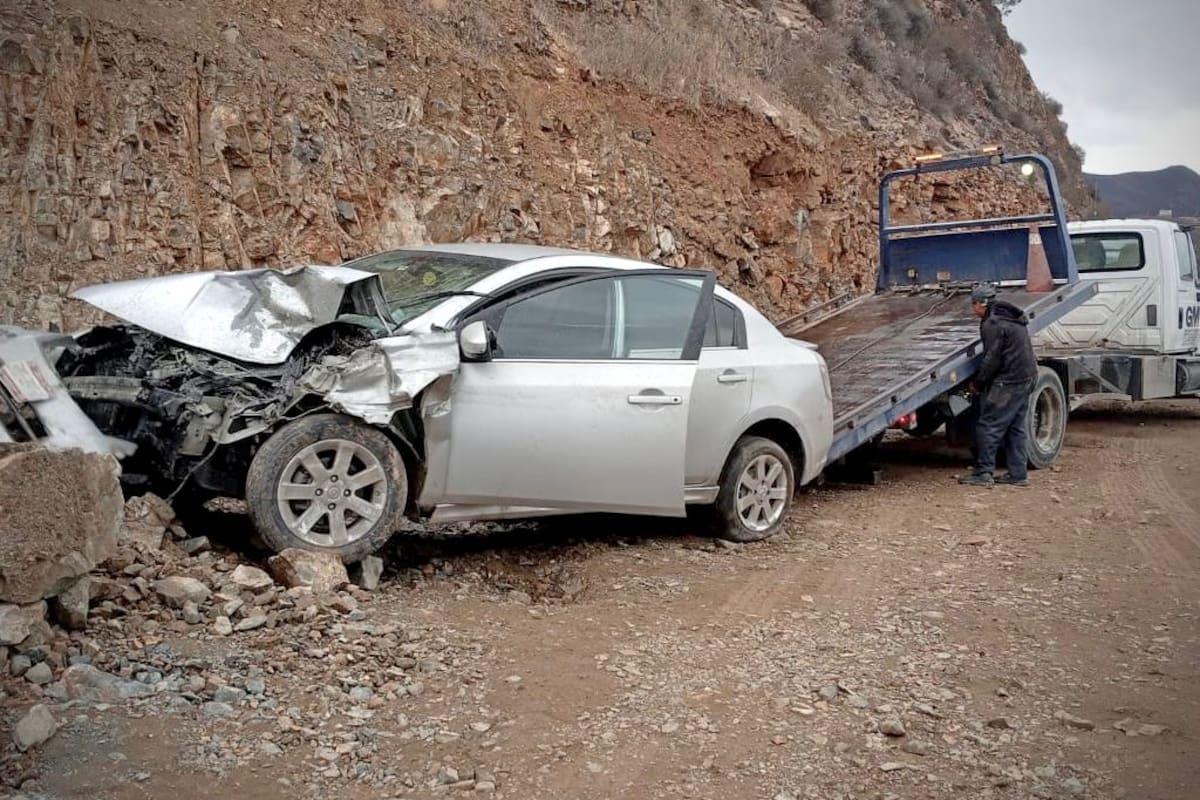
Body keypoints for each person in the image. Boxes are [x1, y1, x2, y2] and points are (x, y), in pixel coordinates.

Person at [958, 283, 1039, 487]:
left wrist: (978, 383)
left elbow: (991, 359)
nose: (973, 310)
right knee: (1016, 427)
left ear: (980, 304)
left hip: (1009, 382)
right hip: (1028, 376)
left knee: (988, 425)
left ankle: (983, 472)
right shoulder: (1009, 316)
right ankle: (1018, 474)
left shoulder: (992, 324)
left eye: (973, 305)